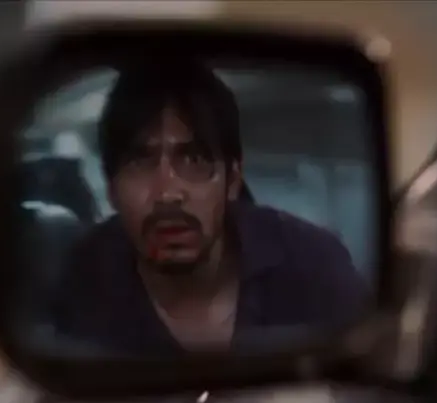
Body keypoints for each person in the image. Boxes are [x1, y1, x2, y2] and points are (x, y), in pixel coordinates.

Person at [52, 58, 371, 356]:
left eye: (194, 160)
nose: (168, 194)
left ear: (233, 180)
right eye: (140, 162)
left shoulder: (312, 265)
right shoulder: (85, 279)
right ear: (111, 188)